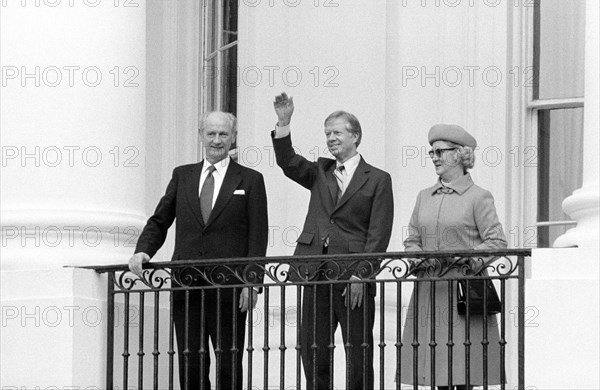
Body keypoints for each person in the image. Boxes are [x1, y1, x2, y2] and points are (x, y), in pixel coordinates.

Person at [128, 111, 268, 390]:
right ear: (201, 135)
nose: (217, 140)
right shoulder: (183, 175)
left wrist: (252, 283)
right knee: (190, 362)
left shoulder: (250, 179)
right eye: (211, 134)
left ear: (234, 137)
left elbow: (258, 235)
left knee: (229, 363)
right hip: (187, 283)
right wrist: (143, 250)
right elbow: (160, 219)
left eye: (224, 134)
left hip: (230, 286)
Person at [271, 92, 394, 390]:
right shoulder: (320, 171)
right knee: (313, 352)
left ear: (355, 136)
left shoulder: (377, 178)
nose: (330, 138)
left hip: (352, 277)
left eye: (337, 132)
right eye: (327, 133)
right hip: (314, 273)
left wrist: (361, 275)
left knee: (358, 354)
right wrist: (284, 123)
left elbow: (378, 234)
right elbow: (288, 162)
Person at [399, 124, 507, 389]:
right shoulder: (424, 197)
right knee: (434, 372)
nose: (434, 157)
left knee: (462, 373)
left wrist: (466, 259)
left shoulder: (479, 197)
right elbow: (412, 240)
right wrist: (416, 258)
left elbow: (497, 241)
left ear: (459, 155)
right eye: (431, 152)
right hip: (429, 292)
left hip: (463, 293)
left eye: (440, 151)